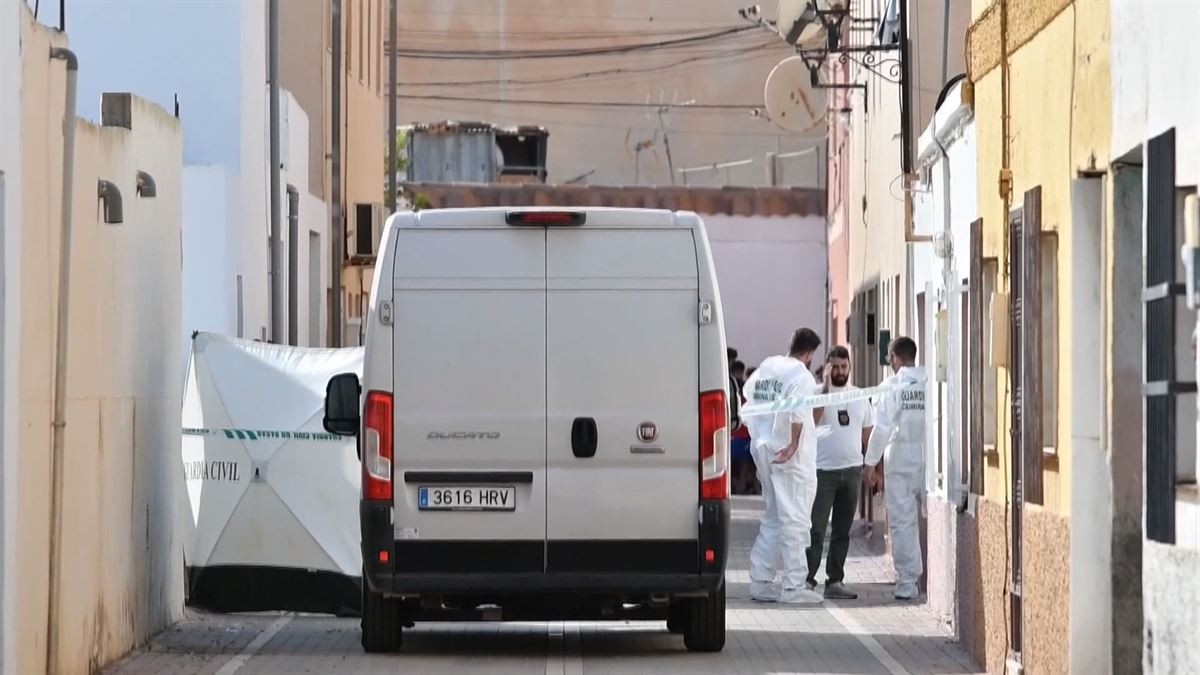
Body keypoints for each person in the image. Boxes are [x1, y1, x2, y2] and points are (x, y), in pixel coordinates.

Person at [743, 328, 824, 604]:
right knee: (796, 519)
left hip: (765, 450)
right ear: (810, 354)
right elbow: (798, 413)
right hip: (790, 457)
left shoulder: (768, 366)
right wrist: (792, 445)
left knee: (774, 518)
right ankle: (793, 586)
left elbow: (747, 394)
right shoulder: (801, 375)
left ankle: (761, 581)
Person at [805, 346, 873, 599]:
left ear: (850, 368)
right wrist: (824, 387)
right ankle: (807, 580)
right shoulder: (818, 394)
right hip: (823, 472)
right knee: (816, 530)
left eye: (845, 367)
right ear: (827, 367)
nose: (841, 371)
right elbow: (812, 419)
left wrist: (871, 466)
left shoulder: (859, 396)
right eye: (836, 367)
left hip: (852, 472)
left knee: (842, 531)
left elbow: (868, 432)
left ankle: (835, 581)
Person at [864, 336, 927, 601]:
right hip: (929, 460)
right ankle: (923, 580)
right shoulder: (930, 382)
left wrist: (870, 463)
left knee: (902, 524)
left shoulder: (891, 387)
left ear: (894, 358)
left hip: (899, 459)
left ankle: (907, 582)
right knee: (926, 516)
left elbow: (882, 429)